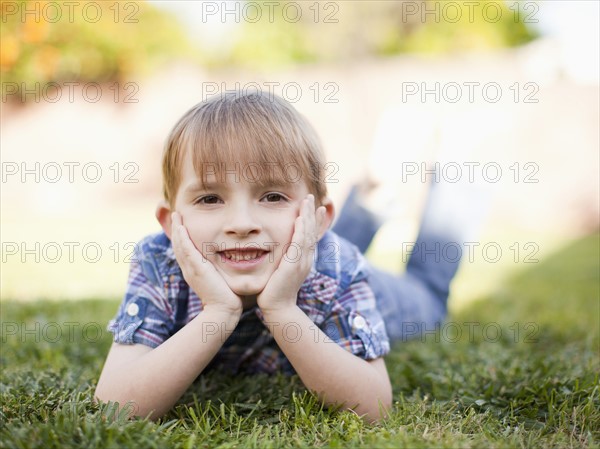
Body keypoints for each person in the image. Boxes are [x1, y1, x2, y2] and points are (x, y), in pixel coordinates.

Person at [95, 91, 473, 423]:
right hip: (287, 246)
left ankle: (461, 175)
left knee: (428, 296)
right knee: (280, 237)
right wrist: (218, 312)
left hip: (355, 284)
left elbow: (373, 406)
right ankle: (372, 197)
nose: (240, 223)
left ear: (318, 218)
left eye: (272, 196)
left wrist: (281, 309)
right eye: (210, 199)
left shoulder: (337, 268)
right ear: (170, 222)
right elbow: (114, 405)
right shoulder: (160, 262)